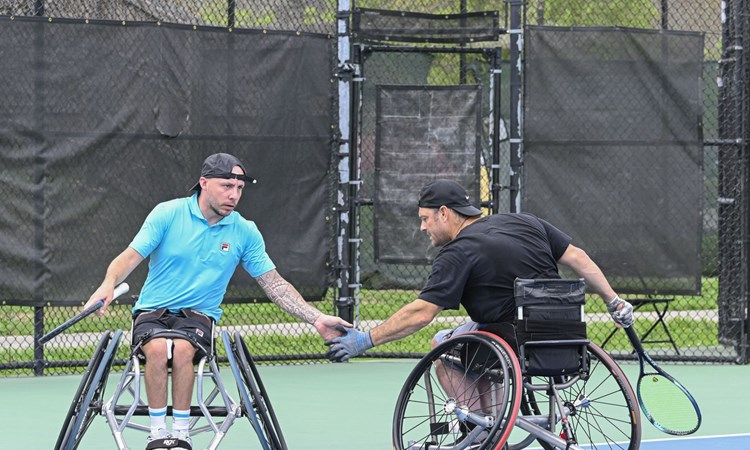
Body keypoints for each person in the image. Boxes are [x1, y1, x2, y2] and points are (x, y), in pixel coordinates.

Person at [84, 153, 350, 449]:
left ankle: (181, 433)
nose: (234, 195)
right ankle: (158, 433)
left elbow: (274, 284)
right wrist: (108, 284)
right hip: (152, 312)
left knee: (183, 349)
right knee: (158, 348)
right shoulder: (167, 214)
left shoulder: (244, 231)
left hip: (197, 317)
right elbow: (130, 257)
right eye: (226, 186)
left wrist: (316, 317)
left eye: (239, 189)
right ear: (204, 183)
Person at [325, 179, 633, 362]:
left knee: (441, 345)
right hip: (563, 338)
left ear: (444, 213)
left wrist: (366, 339)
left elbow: (421, 313)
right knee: (475, 336)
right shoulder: (526, 221)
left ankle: (480, 430)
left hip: (511, 344)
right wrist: (613, 301)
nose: (422, 227)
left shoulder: (456, 253)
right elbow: (578, 257)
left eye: (425, 218)